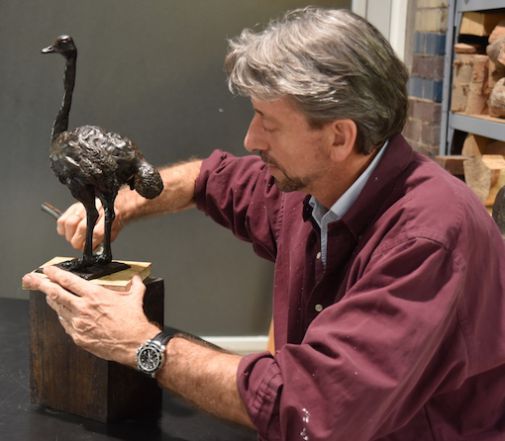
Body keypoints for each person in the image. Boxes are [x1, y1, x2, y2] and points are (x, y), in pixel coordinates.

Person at [23, 7, 505, 441]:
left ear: (340, 136)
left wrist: (142, 343)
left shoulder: (427, 241)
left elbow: (310, 409)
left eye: (267, 122)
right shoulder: (316, 183)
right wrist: (126, 202)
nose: (250, 139)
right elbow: (209, 179)